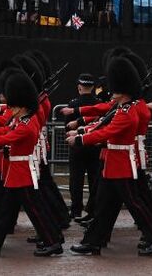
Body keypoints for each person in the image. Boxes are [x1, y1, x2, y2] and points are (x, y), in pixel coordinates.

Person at [67, 56, 152, 256]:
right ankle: (93, 241)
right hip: (112, 164)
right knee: (104, 206)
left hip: (121, 164)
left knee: (135, 203)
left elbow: (106, 132)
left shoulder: (127, 112)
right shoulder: (123, 108)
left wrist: (80, 139)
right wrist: (82, 131)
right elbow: (103, 123)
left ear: (121, 90)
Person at [0, 71, 65, 257]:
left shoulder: (27, 125)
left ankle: (53, 242)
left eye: (13, 105)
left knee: (35, 211)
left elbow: (8, 137)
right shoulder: (22, 119)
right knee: (7, 209)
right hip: (17, 172)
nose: (9, 108)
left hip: (23, 173)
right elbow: (6, 129)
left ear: (21, 106)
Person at [62, 73, 102, 222]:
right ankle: (93, 209)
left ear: (79, 87)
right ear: (92, 87)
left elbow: (66, 126)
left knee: (76, 180)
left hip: (77, 146)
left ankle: (76, 209)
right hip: (94, 145)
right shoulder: (98, 103)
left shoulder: (73, 104)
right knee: (94, 179)